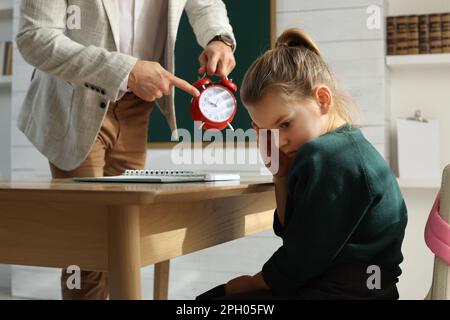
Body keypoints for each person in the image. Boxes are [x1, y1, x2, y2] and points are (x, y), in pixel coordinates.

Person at [15, 0, 236, 300]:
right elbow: (35, 37)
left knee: (124, 239)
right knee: (88, 249)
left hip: (138, 107)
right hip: (76, 103)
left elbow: (206, 3)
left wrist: (218, 38)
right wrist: (125, 70)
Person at [197, 28, 407, 300]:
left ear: (322, 99)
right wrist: (280, 175)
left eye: (285, 124)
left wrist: (248, 283)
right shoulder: (345, 146)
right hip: (365, 288)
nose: (280, 140)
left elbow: (299, 261)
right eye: (267, 131)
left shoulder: (329, 156)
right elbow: (295, 236)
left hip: (348, 291)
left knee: (211, 301)